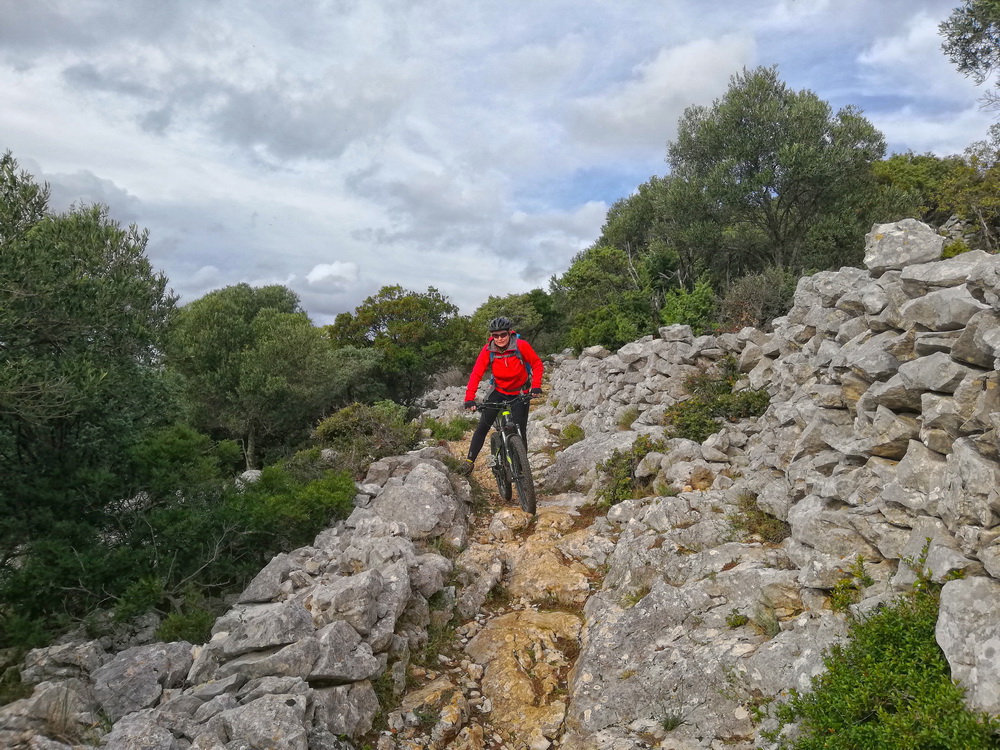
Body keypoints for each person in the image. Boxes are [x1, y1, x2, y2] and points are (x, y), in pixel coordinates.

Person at [460, 316, 544, 474]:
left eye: (503, 335)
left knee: (520, 430)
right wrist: (469, 398)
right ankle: (469, 461)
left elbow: (537, 364)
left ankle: (522, 470)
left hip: (519, 392)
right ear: (491, 336)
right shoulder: (488, 350)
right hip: (498, 391)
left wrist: (536, 386)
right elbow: (476, 373)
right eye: (495, 335)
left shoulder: (521, 346)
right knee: (483, 426)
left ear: (510, 333)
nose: (499, 339)